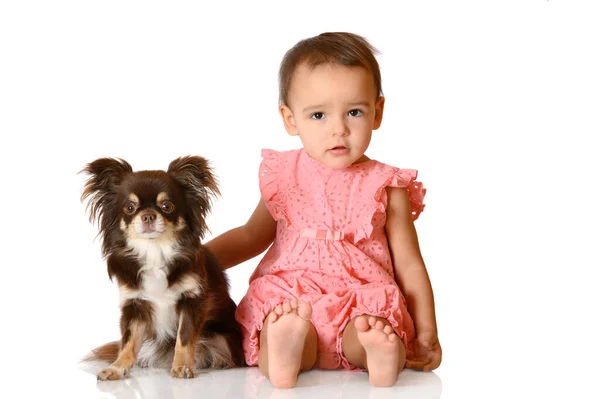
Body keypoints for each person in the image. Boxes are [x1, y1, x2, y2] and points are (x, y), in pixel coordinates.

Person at [206, 32, 441, 388]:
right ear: (290, 119)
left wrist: (427, 333)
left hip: (359, 298)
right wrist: (193, 260)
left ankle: (375, 350)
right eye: (318, 114)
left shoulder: (387, 185)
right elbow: (251, 235)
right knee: (279, 322)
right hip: (292, 295)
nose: (339, 129)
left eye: (354, 112)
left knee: (369, 326)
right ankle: (286, 349)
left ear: (377, 112)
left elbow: (409, 264)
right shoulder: (285, 177)